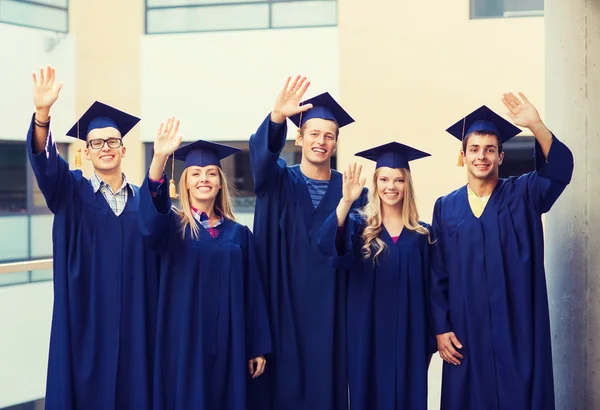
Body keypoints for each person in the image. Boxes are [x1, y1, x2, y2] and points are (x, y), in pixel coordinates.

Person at [430, 93, 574, 410]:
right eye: (475, 149)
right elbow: (437, 273)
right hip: (467, 333)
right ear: (463, 156)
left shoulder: (524, 194)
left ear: (500, 157)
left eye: (490, 150)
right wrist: (441, 327)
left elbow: (561, 170)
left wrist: (536, 125)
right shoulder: (445, 207)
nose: (482, 156)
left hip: (517, 327)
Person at [28, 65, 159, 410]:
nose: (105, 147)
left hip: (135, 325)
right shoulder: (71, 193)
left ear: (123, 149)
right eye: (96, 142)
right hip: (85, 323)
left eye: (113, 141)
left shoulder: (145, 203)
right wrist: (43, 115)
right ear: (86, 152)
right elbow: (45, 162)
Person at [248, 75, 367, 410]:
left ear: (335, 143)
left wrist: (347, 205)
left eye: (329, 136)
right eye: (314, 134)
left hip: (331, 317)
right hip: (280, 309)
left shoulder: (353, 191)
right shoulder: (277, 181)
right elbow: (261, 160)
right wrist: (276, 117)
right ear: (299, 138)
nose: (321, 141)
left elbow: (353, 255)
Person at [139, 117, 272, 410]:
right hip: (185, 340)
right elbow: (148, 224)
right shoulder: (172, 228)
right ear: (184, 184)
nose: (204, 179)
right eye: (196, 173)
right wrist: (159, 158)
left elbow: (253, 293)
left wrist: (257, 345)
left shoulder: (239, 234)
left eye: (212, 173)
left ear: (220, 183)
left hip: (230, 341)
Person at [318, 142, 436, 410]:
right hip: (366, 335)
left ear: (408, 185)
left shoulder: (423, 235)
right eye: (384, 179)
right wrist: (346, 201)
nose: (391, 187)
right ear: (375, 183)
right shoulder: (359, 227)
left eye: (398, 180)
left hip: (410, 337)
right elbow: (328, 247)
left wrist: (429, 342)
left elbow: (432, 293)